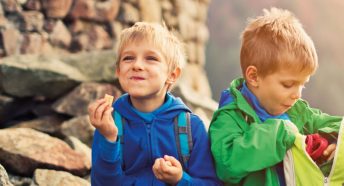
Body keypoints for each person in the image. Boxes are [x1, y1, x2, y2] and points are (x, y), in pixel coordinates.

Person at [209, 7, 342, 186]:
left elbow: (337, 124)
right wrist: (281, 133)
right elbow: (227, 164)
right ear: (254, 77)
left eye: (303, 85)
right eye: (288, 84)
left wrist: (333, 141)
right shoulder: (229, 118)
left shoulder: (299, 112)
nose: (297, 94)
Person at [88, 22, 222, 186]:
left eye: (151, 58)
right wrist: (109, 138)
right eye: (128, 58)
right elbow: (102, 183)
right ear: (118, 71)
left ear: (172, 75)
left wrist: (180, 179)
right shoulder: (110, 123)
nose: (137, 65)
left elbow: (211, 183)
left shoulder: (191, 127)